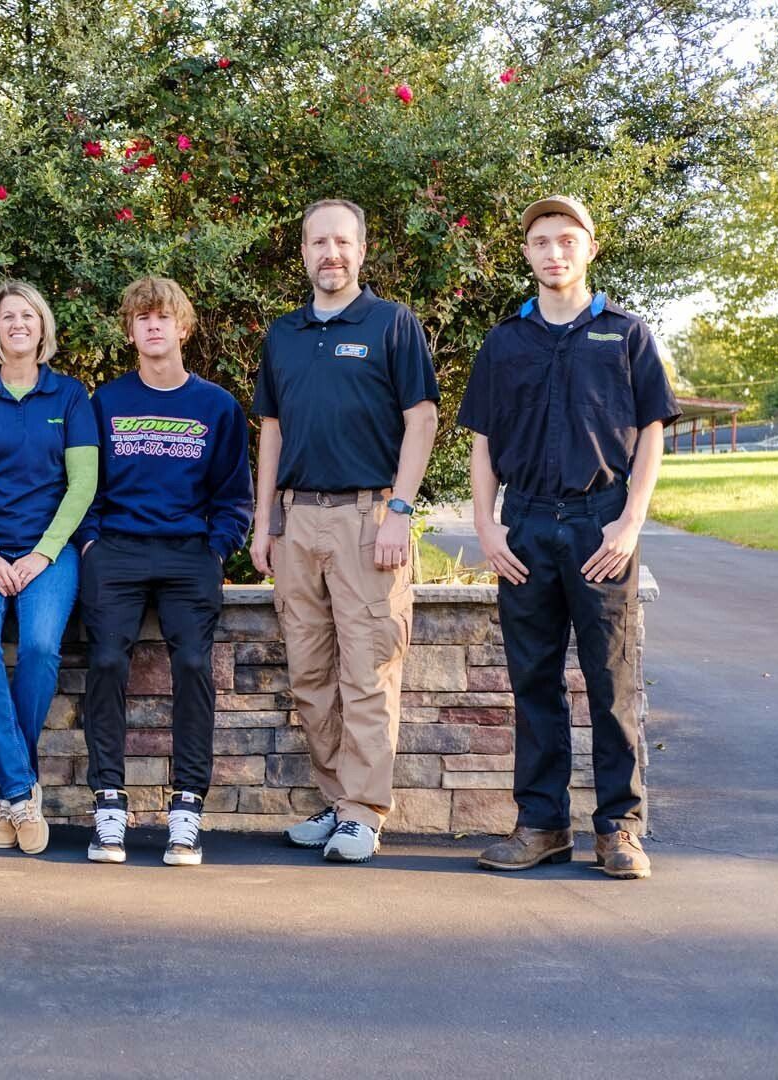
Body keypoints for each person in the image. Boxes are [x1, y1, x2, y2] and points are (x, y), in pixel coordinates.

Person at [459, 196, 679, 879]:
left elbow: (651, 433)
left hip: (601, 524)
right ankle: (542, 825)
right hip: (524, 525)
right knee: (534, 681)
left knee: (610, 681)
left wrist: (631, 519)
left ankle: (619, 829)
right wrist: (487, 526)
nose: (554, 251)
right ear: (526, 254)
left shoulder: (627, 334)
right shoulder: (505, 343)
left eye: (566, 239)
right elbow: (483, 442)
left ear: (589, 248)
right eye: (541, 241)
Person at [250, 199, 440, 863]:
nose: (330, 253)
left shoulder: (391, 324)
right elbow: (271, 432)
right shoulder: (284, 335)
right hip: (298, 519)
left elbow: (422, 421)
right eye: (317, 242)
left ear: (362, 250)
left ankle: (364, 812)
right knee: (309, 675)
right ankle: (338, 803)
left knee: (367, 673)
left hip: (369, 518)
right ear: (302, 252)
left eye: (342, 242)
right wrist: (264, 520)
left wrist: (400, 510)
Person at [77, 276, 253, 866]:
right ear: (130, 333)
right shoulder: (105, 403)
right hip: (118, 550)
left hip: (188, 553)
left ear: (183, 327)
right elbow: (84, 485)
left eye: (163, 317)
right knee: (104, 660)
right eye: (141, 319)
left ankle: (186, 809)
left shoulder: (217, 406)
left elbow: (234, 495)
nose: (153, 326)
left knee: (194, 663)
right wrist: (92, 543)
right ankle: (108, 805)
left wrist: (216, 548)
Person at [0, 281, 97, 855]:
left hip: (47, 552)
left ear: (42, 325)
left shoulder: (70, 398)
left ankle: (11, 792)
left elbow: (83, 485)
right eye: (8, 317)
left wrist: (41, 553)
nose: (18, 324)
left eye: (28, 315)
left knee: (39, 649)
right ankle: (21, 788)